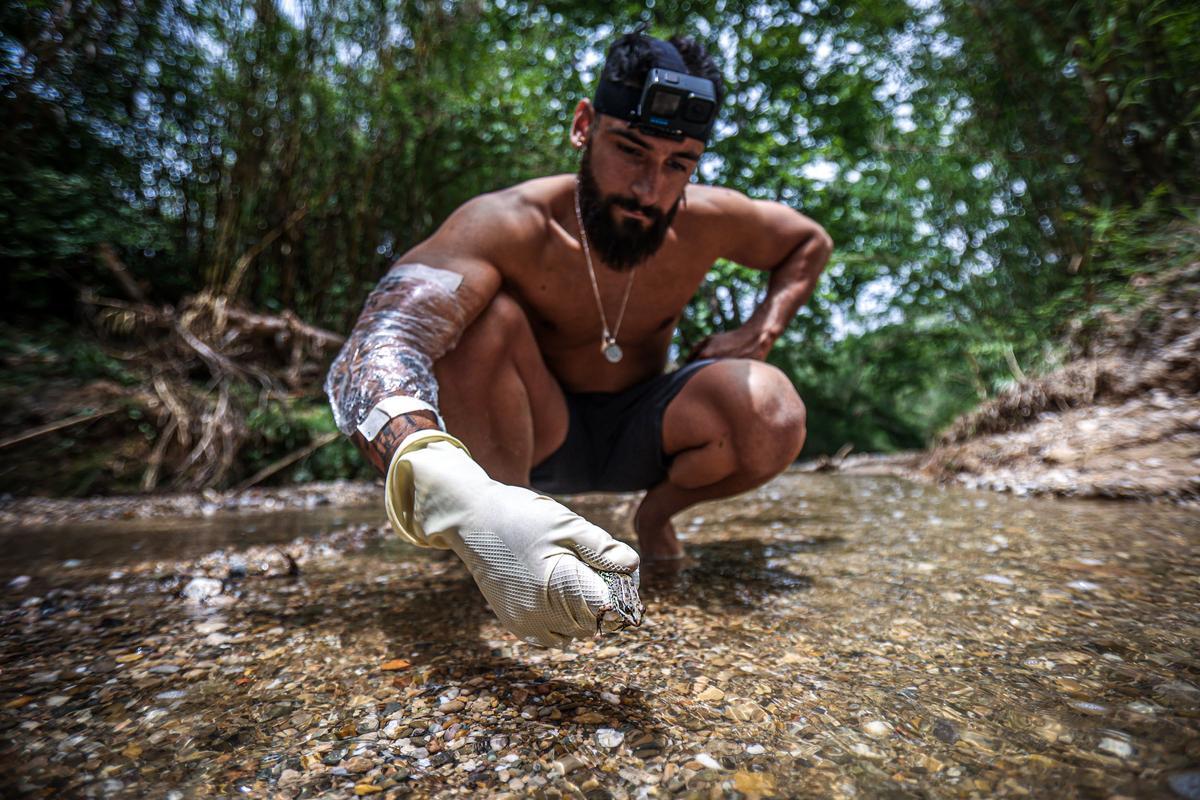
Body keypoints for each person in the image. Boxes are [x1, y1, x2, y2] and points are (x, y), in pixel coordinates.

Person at [325, 30, 831, 648]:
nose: (651, 190)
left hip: (643, 431)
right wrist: (447, 489)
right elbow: (377, 345)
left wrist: (760, 330)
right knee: (479, 324)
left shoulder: (709, 222)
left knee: (771, 408)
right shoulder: (507, 224)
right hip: (533, 434)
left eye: (680, 164)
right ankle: (500, 533)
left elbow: (809, 242)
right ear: (583, 126)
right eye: (631, 150)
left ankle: (655, 516)